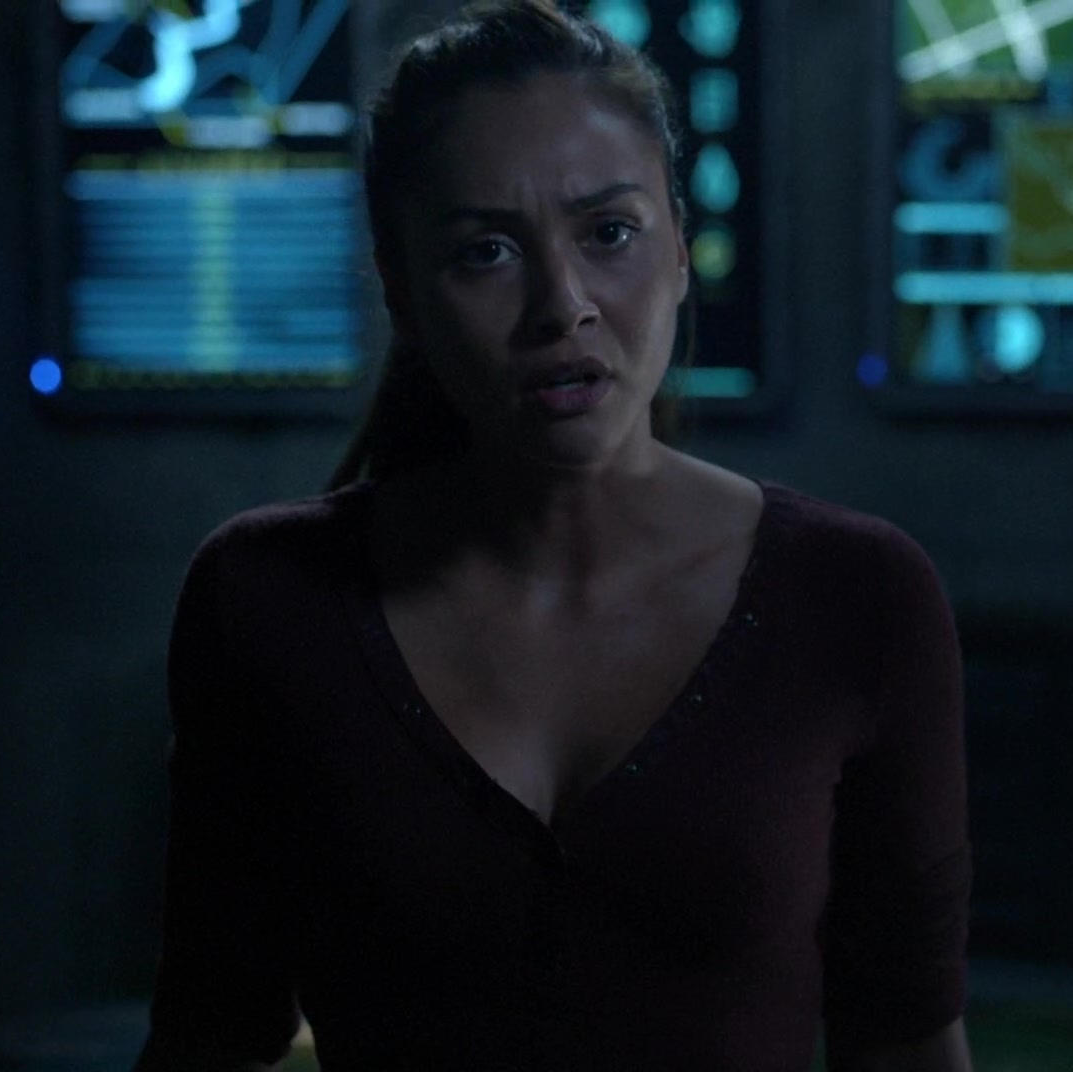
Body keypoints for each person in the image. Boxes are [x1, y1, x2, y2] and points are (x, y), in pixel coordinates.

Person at [133, 2, 974, 1069]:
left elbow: (907, 1038)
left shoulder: (855, 596)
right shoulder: (268, 598)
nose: (561, 305)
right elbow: (208, 1036)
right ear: (402, 290)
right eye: (485, 251)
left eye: (610, 233)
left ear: (680, 247)